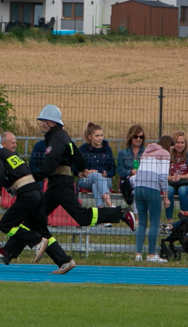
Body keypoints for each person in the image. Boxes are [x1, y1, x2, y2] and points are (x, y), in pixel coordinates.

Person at [32, 105, 135, 246]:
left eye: (44, 120)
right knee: (37, 215)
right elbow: (77, 154)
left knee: (83, 217)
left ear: (52, 122)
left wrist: (37, 176)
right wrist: (82, 169)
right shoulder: (63, 135)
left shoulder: (56, 138)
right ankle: (12, 251)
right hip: (57, 184)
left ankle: (121, 213)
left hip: (61, 184)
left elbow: (51, 160)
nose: (42, 124)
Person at [0, 128, 58, 271]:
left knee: (5, 225)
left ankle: (37, 241)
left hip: (27, 195)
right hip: (37, 193)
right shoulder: (10, 154)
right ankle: (8, 252)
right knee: (36, 226)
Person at [132, 141, 170, 262]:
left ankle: (138, 254)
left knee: (142, 221)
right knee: (154, 221)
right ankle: (151, 255)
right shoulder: (164, 153)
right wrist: (165, 196)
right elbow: (163, 177)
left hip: (138, 188)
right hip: (152, 188)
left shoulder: (145, 153)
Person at [77, 122, 117, 208]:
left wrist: (106, 173)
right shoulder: (82, 150)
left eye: (101, 135)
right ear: (90, 137)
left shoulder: (107, 149)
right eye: (97, 136)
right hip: (86, 180)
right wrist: (84, 172)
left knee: (96, 184)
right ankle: (110, 205)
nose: (100, 138)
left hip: (105, 179)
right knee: (96, 176)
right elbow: (75, 168)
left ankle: (101, 212)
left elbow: (113, 170)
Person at [166, 130, 188, 219]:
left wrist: (181, 177)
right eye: (177, 142)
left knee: (182, 191)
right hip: (170, 182)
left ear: (185, 143)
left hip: (187, 182)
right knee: (168, 191)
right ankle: (169, 221)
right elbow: (161, 173)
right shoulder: (167, 154)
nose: (180, 145)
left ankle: (185, 218)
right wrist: (171, 178)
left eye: (182, 142)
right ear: (173, 143)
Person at [117, 124, 146, 206]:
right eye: (136, 137)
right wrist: (131, 172)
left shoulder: (147, 152)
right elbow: (120, 171)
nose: (138, 139)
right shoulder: (122, 153)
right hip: (128, 180)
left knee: (137, 190)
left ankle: (137, 216)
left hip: (143, 179)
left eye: (141, 137)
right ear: (131, 137)